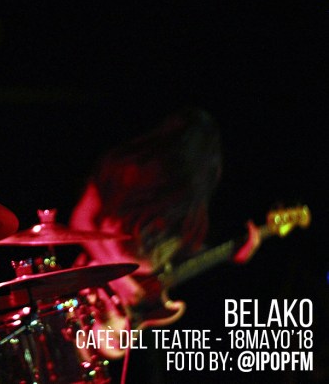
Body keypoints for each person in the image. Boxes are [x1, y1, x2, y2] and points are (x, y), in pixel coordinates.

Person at [69, 107, 260, 381]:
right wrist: (121, 280)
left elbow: (176, 256)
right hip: (99, 289)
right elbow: (81, 220)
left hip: (134, 311)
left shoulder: (190, 208)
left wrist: (232, 253)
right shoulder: (126, 167)